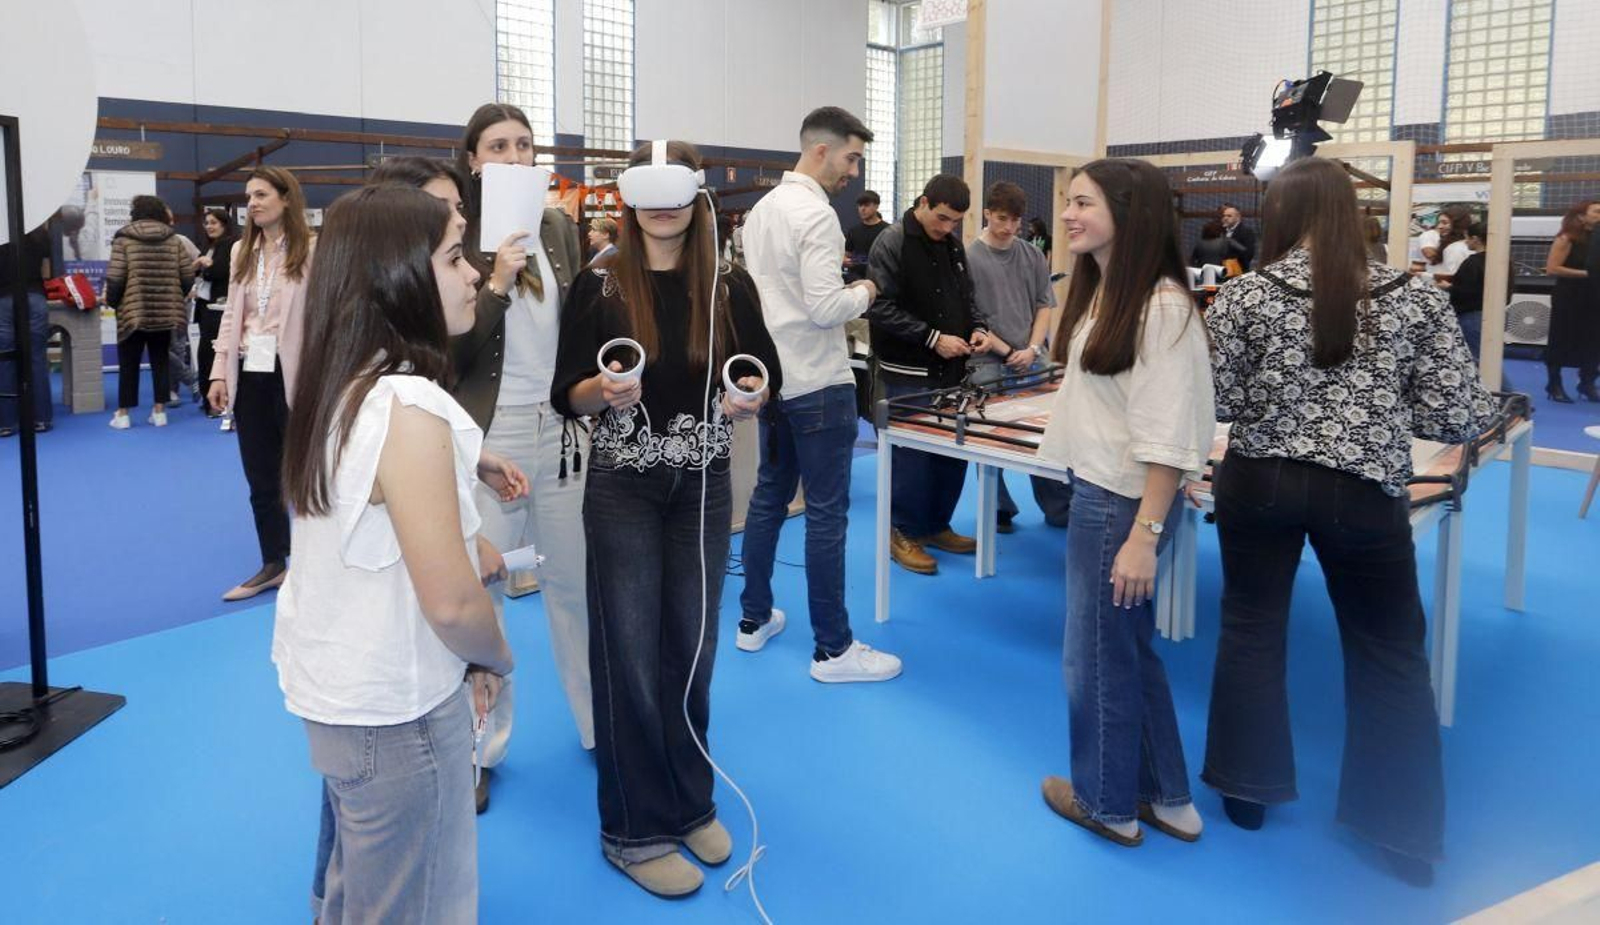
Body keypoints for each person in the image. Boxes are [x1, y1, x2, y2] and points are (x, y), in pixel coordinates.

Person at [1202, 157, 1496, 887]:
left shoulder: (1244, 295)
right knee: (1389, 651)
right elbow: (1453, 415)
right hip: (1364, 491)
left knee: (1250, 624)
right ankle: (1402, 833)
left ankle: (1244, 789)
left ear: (1281, 215)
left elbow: (1221, 401)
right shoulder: (1415, 297)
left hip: (1260, 480)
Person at [276, 184, 516, 924]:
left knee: (364, 889)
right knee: (416, 903)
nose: (475, 271)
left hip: (343, 696)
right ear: (398, 275)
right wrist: (497, 656)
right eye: (453, 256)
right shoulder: (405, 407)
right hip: (396, 713)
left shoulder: (342, 387)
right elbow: (451, 599)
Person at [552, 140, 782, 898]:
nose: (662, 205)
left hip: (705, 483)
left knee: (692, 646)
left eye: (677, 190)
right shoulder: (600, 284)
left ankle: (690, 800)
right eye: (648, 190)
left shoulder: (727, 283)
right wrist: (604, 390)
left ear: (698, 196)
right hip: (623, 483)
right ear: (629, 196)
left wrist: (750, 394)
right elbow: (567, 393)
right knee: (627, 650)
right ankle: (633, 827)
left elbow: (765, 372)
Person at [1034, 159, 1213, 849]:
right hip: (1109, 492)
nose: (1070, 214)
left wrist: (1144, 533)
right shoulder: (1117, 291)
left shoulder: (1159, 305)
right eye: (1069, 202)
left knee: (1094, 656)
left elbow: (1167, 437)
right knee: (1128, 649)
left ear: (1128, 211)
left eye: (1083, 202)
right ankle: (1168, 796)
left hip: (1120, 501)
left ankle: (1106, 800)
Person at [452, 103, 592, 804]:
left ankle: (601, 727)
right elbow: (451, 350)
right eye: (498, 145)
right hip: (489, 431)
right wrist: (497, 280)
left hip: (562, 425)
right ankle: (478, 749)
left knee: (576, 583)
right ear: (473, 158)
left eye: (525, 145)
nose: (513, 156)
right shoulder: (455, 236)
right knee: (482, 596)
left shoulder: (559, 227)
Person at [737, 106, 901, 682]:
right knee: (827, 515)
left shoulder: (760, 213)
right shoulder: (816, 215)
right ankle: (834, 650)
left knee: (767, 500)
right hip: (819, 384)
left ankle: (753, 620)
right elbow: (825, 306)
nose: (854, 173)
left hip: (775, 381)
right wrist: (866, 288)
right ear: (822, 150)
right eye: (852, 158)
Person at [867, 173, 992, 575]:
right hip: (908, 369)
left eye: (955, 222)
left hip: (952, 370)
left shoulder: (953, 245)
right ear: (922, 203)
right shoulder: (892, 241)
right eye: (941, 218)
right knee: (912, 456)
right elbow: (879, 306)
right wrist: (932, 337)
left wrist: (979, 327)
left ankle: (936, 525)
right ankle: (900, 531)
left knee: (950, 455)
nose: (947, 228)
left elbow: (968, 297)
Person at [206, 166, 315, 602]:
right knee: (260, 474)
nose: (251, 203)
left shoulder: (312, 250)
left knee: (305, 474)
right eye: (248, 196)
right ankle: (274, 562)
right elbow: (233, 313)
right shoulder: (239, 252)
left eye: (261, 195)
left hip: (296, 374)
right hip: (250, 369)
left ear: (286, 198)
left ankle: (312, 563)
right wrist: (218, 370)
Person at [965, 180, 1070, 531]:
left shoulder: (1032, 254)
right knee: (987, 435)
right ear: (987, 214)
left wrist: (1033, 349)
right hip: (986, 358)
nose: (1009, 227)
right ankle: (998, 507)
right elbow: (972, 319)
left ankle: (1058, 506)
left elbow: (1044, 305)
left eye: (1015, 221)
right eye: (1001, 218)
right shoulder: (968, 258)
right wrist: (1008, 350)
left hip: (1030, 354)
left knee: (1048, 433)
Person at [105, 194, 195, 430]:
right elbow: (187, 276)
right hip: (166, 311)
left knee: (128, 363)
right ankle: (159, 412)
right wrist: (176, 295)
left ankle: (123, 414)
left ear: (136, 213)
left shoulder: (123, 239)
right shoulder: (173, 240)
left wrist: (115, 303)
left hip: (133, 311)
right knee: (160, 360)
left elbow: (115, 278)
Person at [1542, 199, 1600, 403]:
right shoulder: (1567, 238)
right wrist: (1588, 274)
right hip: (1569, 295)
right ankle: (1554, 384)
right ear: (1581, 216)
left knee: (1594, 341)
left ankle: (1587, 383)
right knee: (1561, 338)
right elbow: (1552, 268)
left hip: (1594, 295)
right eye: (1597, 211)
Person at [0, 224, 54, 437]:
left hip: (2, 299)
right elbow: (47, 269)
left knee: (5, 361)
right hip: (34, 296)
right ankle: (41, 419)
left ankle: (5, 423)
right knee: (37, 358)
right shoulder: (39, 233)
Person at [192, 209, 236, 419]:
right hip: (205, 307)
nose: (209, 226)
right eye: (207, 223)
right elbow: (196, 272)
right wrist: (201, 265)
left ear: (224, 224)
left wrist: (205, 266)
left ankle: (218, 401)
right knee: (205, 355)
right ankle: (207, 397)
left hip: (220, 309)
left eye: (214, 223)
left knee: (214, 354)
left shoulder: (230, 245)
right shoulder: (208, 246)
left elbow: (221, 272)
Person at [166, 206, 201, 406]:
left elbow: (199, 262)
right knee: (163, 347)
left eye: (171, 219)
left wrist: (192, 284)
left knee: (177, 346)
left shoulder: (181, 241)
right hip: (159, 303)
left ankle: (172, 390)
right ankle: (190, 378)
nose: (169, 223)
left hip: (181, 301)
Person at [843, 189, 888, 282]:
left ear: (876, 206)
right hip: (856, 281)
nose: (862, 209)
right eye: (860, 205)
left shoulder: (887, 231)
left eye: (866, 205)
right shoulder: (853, 231)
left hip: (881, 281)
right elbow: (847, 255)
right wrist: (845, 261)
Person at [1220, 203, 1256, 270]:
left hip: (1238, 272)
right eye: (1224, 216)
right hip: (1221, 272)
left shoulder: (1247, 231)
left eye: (1229, 216)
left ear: (1238, 217)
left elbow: (1249, 254)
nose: (1225, 218)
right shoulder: (1221, 231)